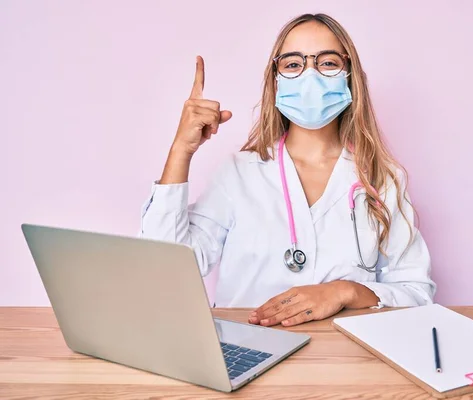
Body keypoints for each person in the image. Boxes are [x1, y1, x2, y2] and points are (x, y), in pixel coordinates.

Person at [140, 13, 435, 327]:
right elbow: (164, 265)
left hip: (343, 360)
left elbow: (417, 293)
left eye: (328, 62)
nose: (310, 76)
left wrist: (344, 292)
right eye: (294, 64)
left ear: (349, 76)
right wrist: (180, 150)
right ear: (275, 80)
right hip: (246, 351)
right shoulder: (238, 174)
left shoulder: (381, 179)